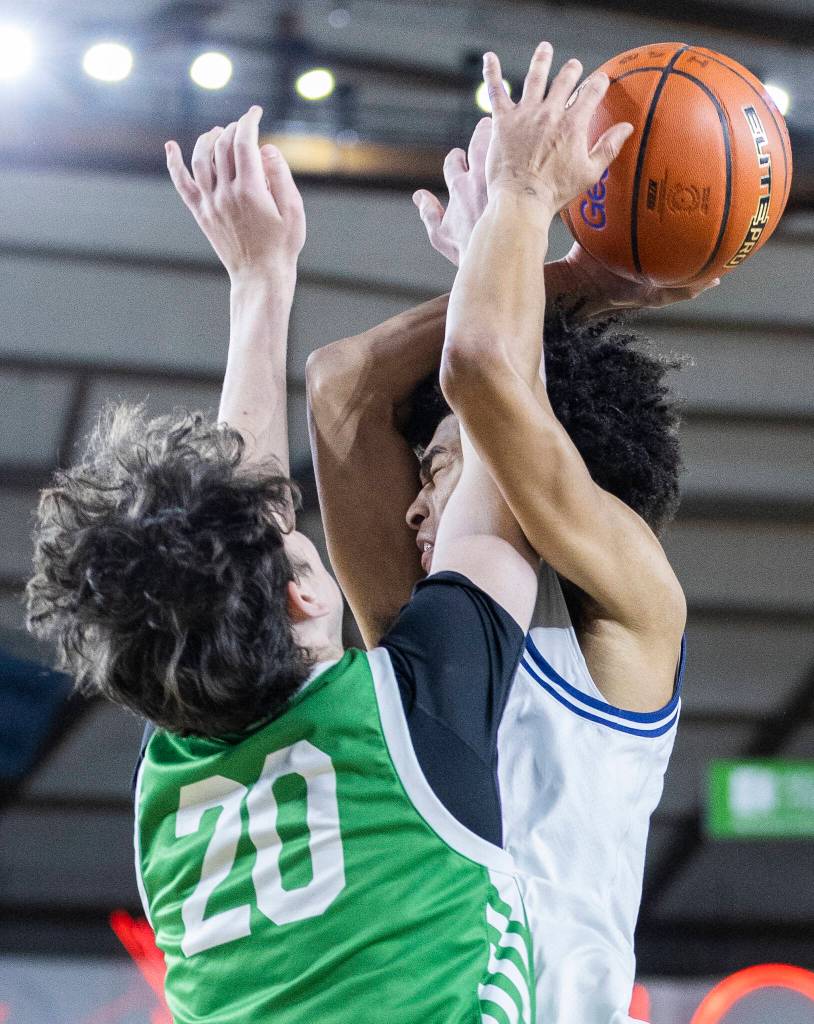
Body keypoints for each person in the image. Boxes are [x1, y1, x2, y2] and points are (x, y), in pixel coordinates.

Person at [26, 56, 631, 1020]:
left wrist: (262, 283)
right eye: (294, 538)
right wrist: (518, 208)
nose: (292, 521)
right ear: (304, 594)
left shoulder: (178, 781)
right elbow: (495, 398)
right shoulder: (402, 725)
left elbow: (231, 541)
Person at [307, 50, 716, 1024]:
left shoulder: (632, 612)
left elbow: (488, 375)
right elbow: (339, 387)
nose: (413, 502)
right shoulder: (431, 632)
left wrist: (523, 213)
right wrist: (563, 276)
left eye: (437, 467)